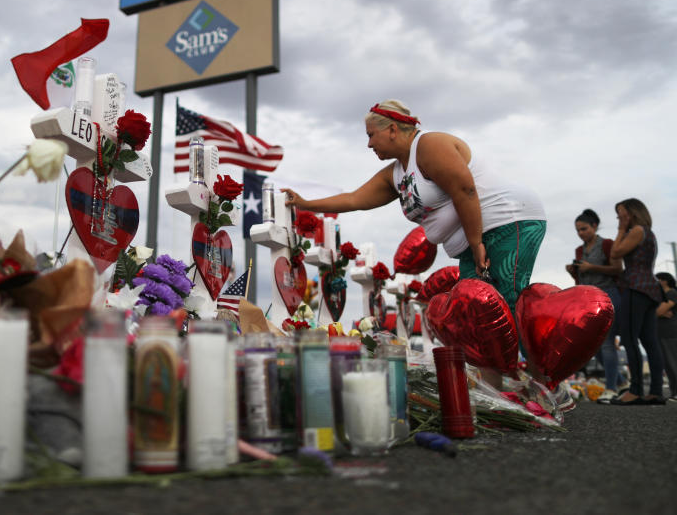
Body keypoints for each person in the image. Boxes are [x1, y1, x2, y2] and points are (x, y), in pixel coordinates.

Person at [281, 100, 547, 386]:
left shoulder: (429, 146)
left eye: (371, 135)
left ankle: (541, 385)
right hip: (478, 237)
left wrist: (476, 242)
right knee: (475, 313)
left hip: (508, 220)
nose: (369, 144)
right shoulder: (395, 173)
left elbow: (465, 189)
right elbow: (354, 199)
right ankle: (499, 392)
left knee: (507, 300)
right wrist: (306, 203)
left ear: (393, 130)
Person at [609, 198, 665, 405]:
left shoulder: (636, 231)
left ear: (631, 213)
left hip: (635, 288)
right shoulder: (649, 233)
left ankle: (635, 390)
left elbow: (615, 253)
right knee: (650, 341)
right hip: (650, 288)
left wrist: (621, 229)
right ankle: (656, 391)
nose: (618, 217)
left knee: (630, 338)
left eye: (620, 213)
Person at [566, 209, 623, 403]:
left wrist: (592, 267)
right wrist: (574, 272)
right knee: (592, 345)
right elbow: (581, 278)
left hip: (608, 294)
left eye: (584, 229)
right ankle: (620, 381)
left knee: (606, 342)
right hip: (588, 298)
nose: (581, 233)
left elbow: (618, 269)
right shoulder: (579, 250)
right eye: (578, 230)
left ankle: (611, 387)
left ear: (594, 226)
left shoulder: (607, 244)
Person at [654, 272, 677, 401]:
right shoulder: (660, 296)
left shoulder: (672, 293)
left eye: (657, 279)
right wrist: (659, 313)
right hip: (661, 333)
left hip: (670, 333)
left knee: (673, 362)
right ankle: (674, 392)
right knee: (668, 364)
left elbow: (657, 311)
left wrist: (658, 312)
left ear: (665, 281)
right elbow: (658, 312)